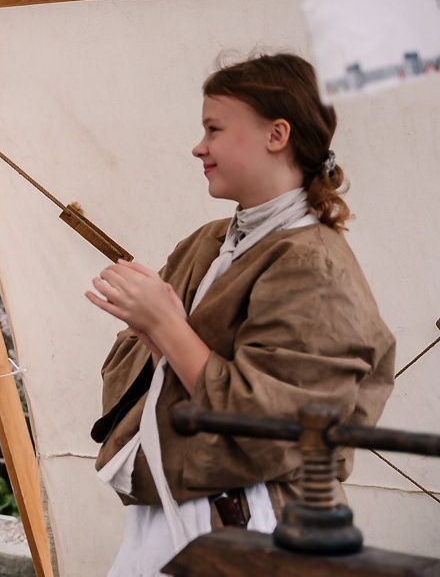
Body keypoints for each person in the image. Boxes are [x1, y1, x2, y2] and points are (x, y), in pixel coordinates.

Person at [85, 53, 395, 576]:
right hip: (170, 515)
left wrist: (166, 327)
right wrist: (158, 338)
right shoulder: (205, 244)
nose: (199, 146)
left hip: (255, 525)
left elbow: (277, 429)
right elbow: (132, 378)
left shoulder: (315, 266)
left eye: (214, 129)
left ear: (277, 134)